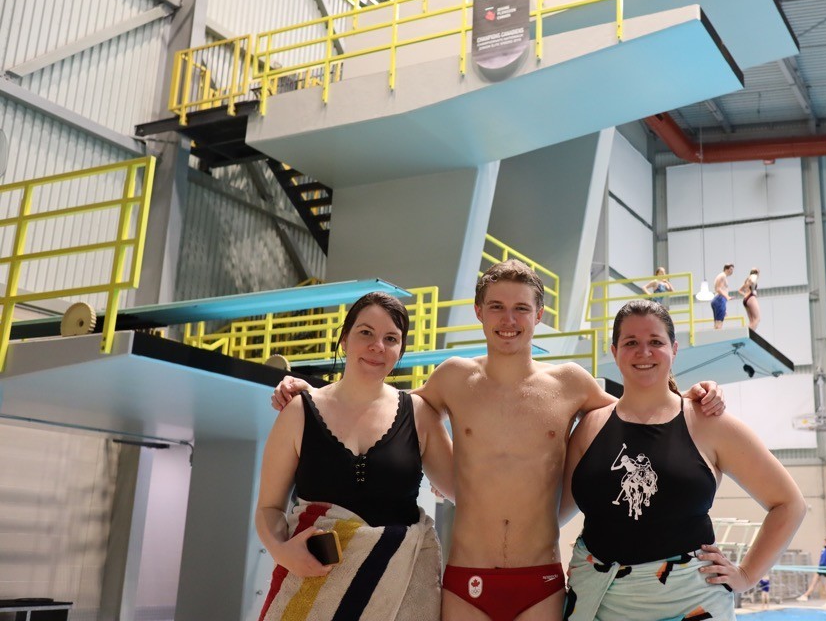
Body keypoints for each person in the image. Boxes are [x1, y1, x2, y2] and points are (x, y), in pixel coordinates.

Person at [271, 260, 726, 621]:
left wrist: (690, 393)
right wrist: (314, 394)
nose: (509, 320)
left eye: (521, 308)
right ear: (479, 312)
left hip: (541, 577)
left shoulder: (571, 383)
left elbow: (641, 407)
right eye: (497, 307)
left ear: (539, 315)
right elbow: (384, 403)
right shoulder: (452, 378)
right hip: (466, 573)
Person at [559, 300, 806, 620]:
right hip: (597, 598)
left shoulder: (708, 422)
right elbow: (552, 514)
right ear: (614, 351)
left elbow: (789, 503)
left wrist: (746, 575)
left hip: (688, 599)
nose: (643, 352)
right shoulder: (591, 427)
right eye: (631, 342)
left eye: (656, 342)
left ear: (674, 349)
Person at [255, 292, 455, 620]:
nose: (378, 345)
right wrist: (282, 552)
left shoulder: (419, 415)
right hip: (312, 586)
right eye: (366, 333)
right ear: (345, 339)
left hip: (400, 596)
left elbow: (462, 491)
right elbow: (268, 508)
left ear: (400, 350)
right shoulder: (299, 411)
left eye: (391, 338)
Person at [795, 537, 826, 608]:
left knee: (825, 585)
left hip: (823, 568)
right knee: (813, 583)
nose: (824, 543)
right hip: (820, 567)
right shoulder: (824, 549)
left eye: (825, 542)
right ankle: (805, 596)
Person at [711, 263, 734, 329]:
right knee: (719, 323)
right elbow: (718, 289)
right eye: (731, 269)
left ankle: (716, 337)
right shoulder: (722, 276)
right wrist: (727, 297)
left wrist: (725, 308)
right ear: (726, 269)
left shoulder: (722, 276)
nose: (732, 271)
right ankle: (718, 337)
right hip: (719, 299)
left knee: (717, 323)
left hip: (719, 300)